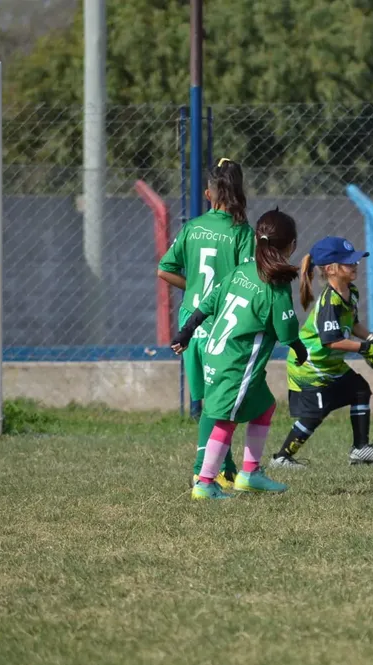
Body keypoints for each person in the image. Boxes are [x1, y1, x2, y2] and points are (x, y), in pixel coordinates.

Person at [171, 208, 307, 500]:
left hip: (217, 354)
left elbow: (208, 303)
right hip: (237, 364)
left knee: (264, 406)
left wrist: (186, 331)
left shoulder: (242, 270)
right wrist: (299, 348)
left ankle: (249, 473)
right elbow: (286, 331)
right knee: (226, 421)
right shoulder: (275, 286)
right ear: (291, 246)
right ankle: (205, 483)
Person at [157, 158, 255, 488]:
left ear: (207, 194)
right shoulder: (242, 232)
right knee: (220, 404)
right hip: (219, 325)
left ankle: (224, 469)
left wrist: (195, 288)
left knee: (207, 404)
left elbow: (164, 269)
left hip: (190, 323)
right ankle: (203, 472)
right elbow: (246, 278)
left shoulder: (192, 227)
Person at [269, 236, 373, 468]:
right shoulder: (330, 301)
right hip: (310, 366)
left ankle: (360, 449)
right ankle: (282, 458)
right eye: (349, 262)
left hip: (330, 364)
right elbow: (331, 341)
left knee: (360, 390)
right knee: (314, 415)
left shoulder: (351, 292)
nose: (355, 265)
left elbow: (353, 324)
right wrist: (365, 348)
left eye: (355, 261)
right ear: (330, 269)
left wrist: (372, 338)